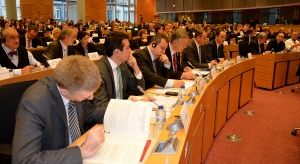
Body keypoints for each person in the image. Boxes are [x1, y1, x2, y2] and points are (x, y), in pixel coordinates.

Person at [12, 55, 106, 163]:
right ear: (64, 91)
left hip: (80, 149)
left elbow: (90, 113)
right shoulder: (34, 103)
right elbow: (24, 160)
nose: (91, 98)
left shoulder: (74, 85)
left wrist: (123, 110)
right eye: (85, 96)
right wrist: (82, 151)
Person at [93, 32, 145, 107]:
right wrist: (124, 104)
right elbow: (100, 105)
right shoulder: (99, 71)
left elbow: (139, 91)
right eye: (127, 48)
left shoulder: (122, 66)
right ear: (117, 52)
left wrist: (136, 68)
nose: (130, 50)